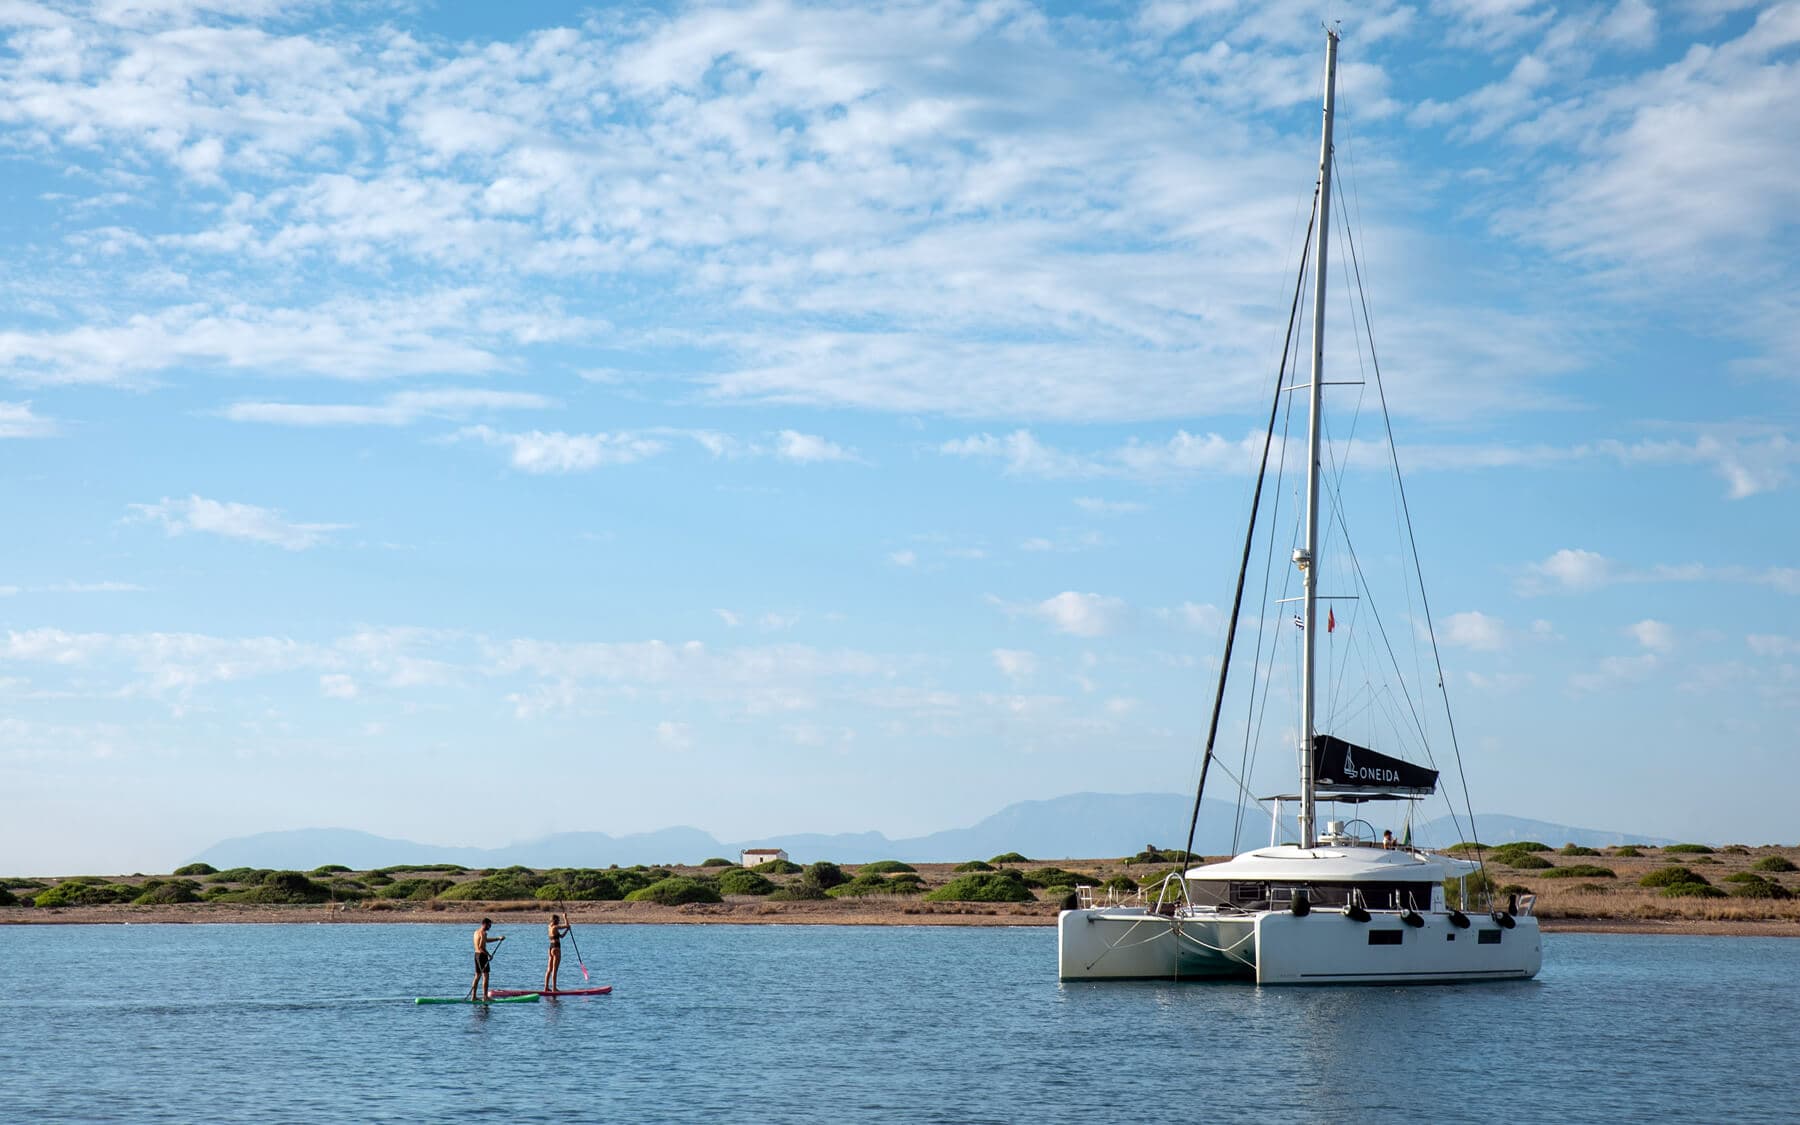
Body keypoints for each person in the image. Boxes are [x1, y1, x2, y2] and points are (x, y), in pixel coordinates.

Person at [471, 917, 505, 1000]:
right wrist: (489, 955)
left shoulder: (476, 932)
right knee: (486, 976)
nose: (490, 927)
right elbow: (481, 947)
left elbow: (485, 941)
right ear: (484, 924)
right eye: (489, 925)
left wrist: (497, 938)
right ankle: (485, 997)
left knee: (477, 976)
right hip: (482, 956)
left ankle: (473, 997)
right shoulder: (483, 933)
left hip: (476, 955)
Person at [543, 913, 572, 993]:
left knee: (549, 969)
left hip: (550, 948)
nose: (559, 921)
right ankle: (554, 988)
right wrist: (565, 917)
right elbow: (566, 925)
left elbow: (561, 936)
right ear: (555, 920)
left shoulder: (549, 927)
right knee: (555, 970)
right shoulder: (555, 927)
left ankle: (546, 987)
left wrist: (567, 930)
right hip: (556, 948)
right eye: (558, 920)